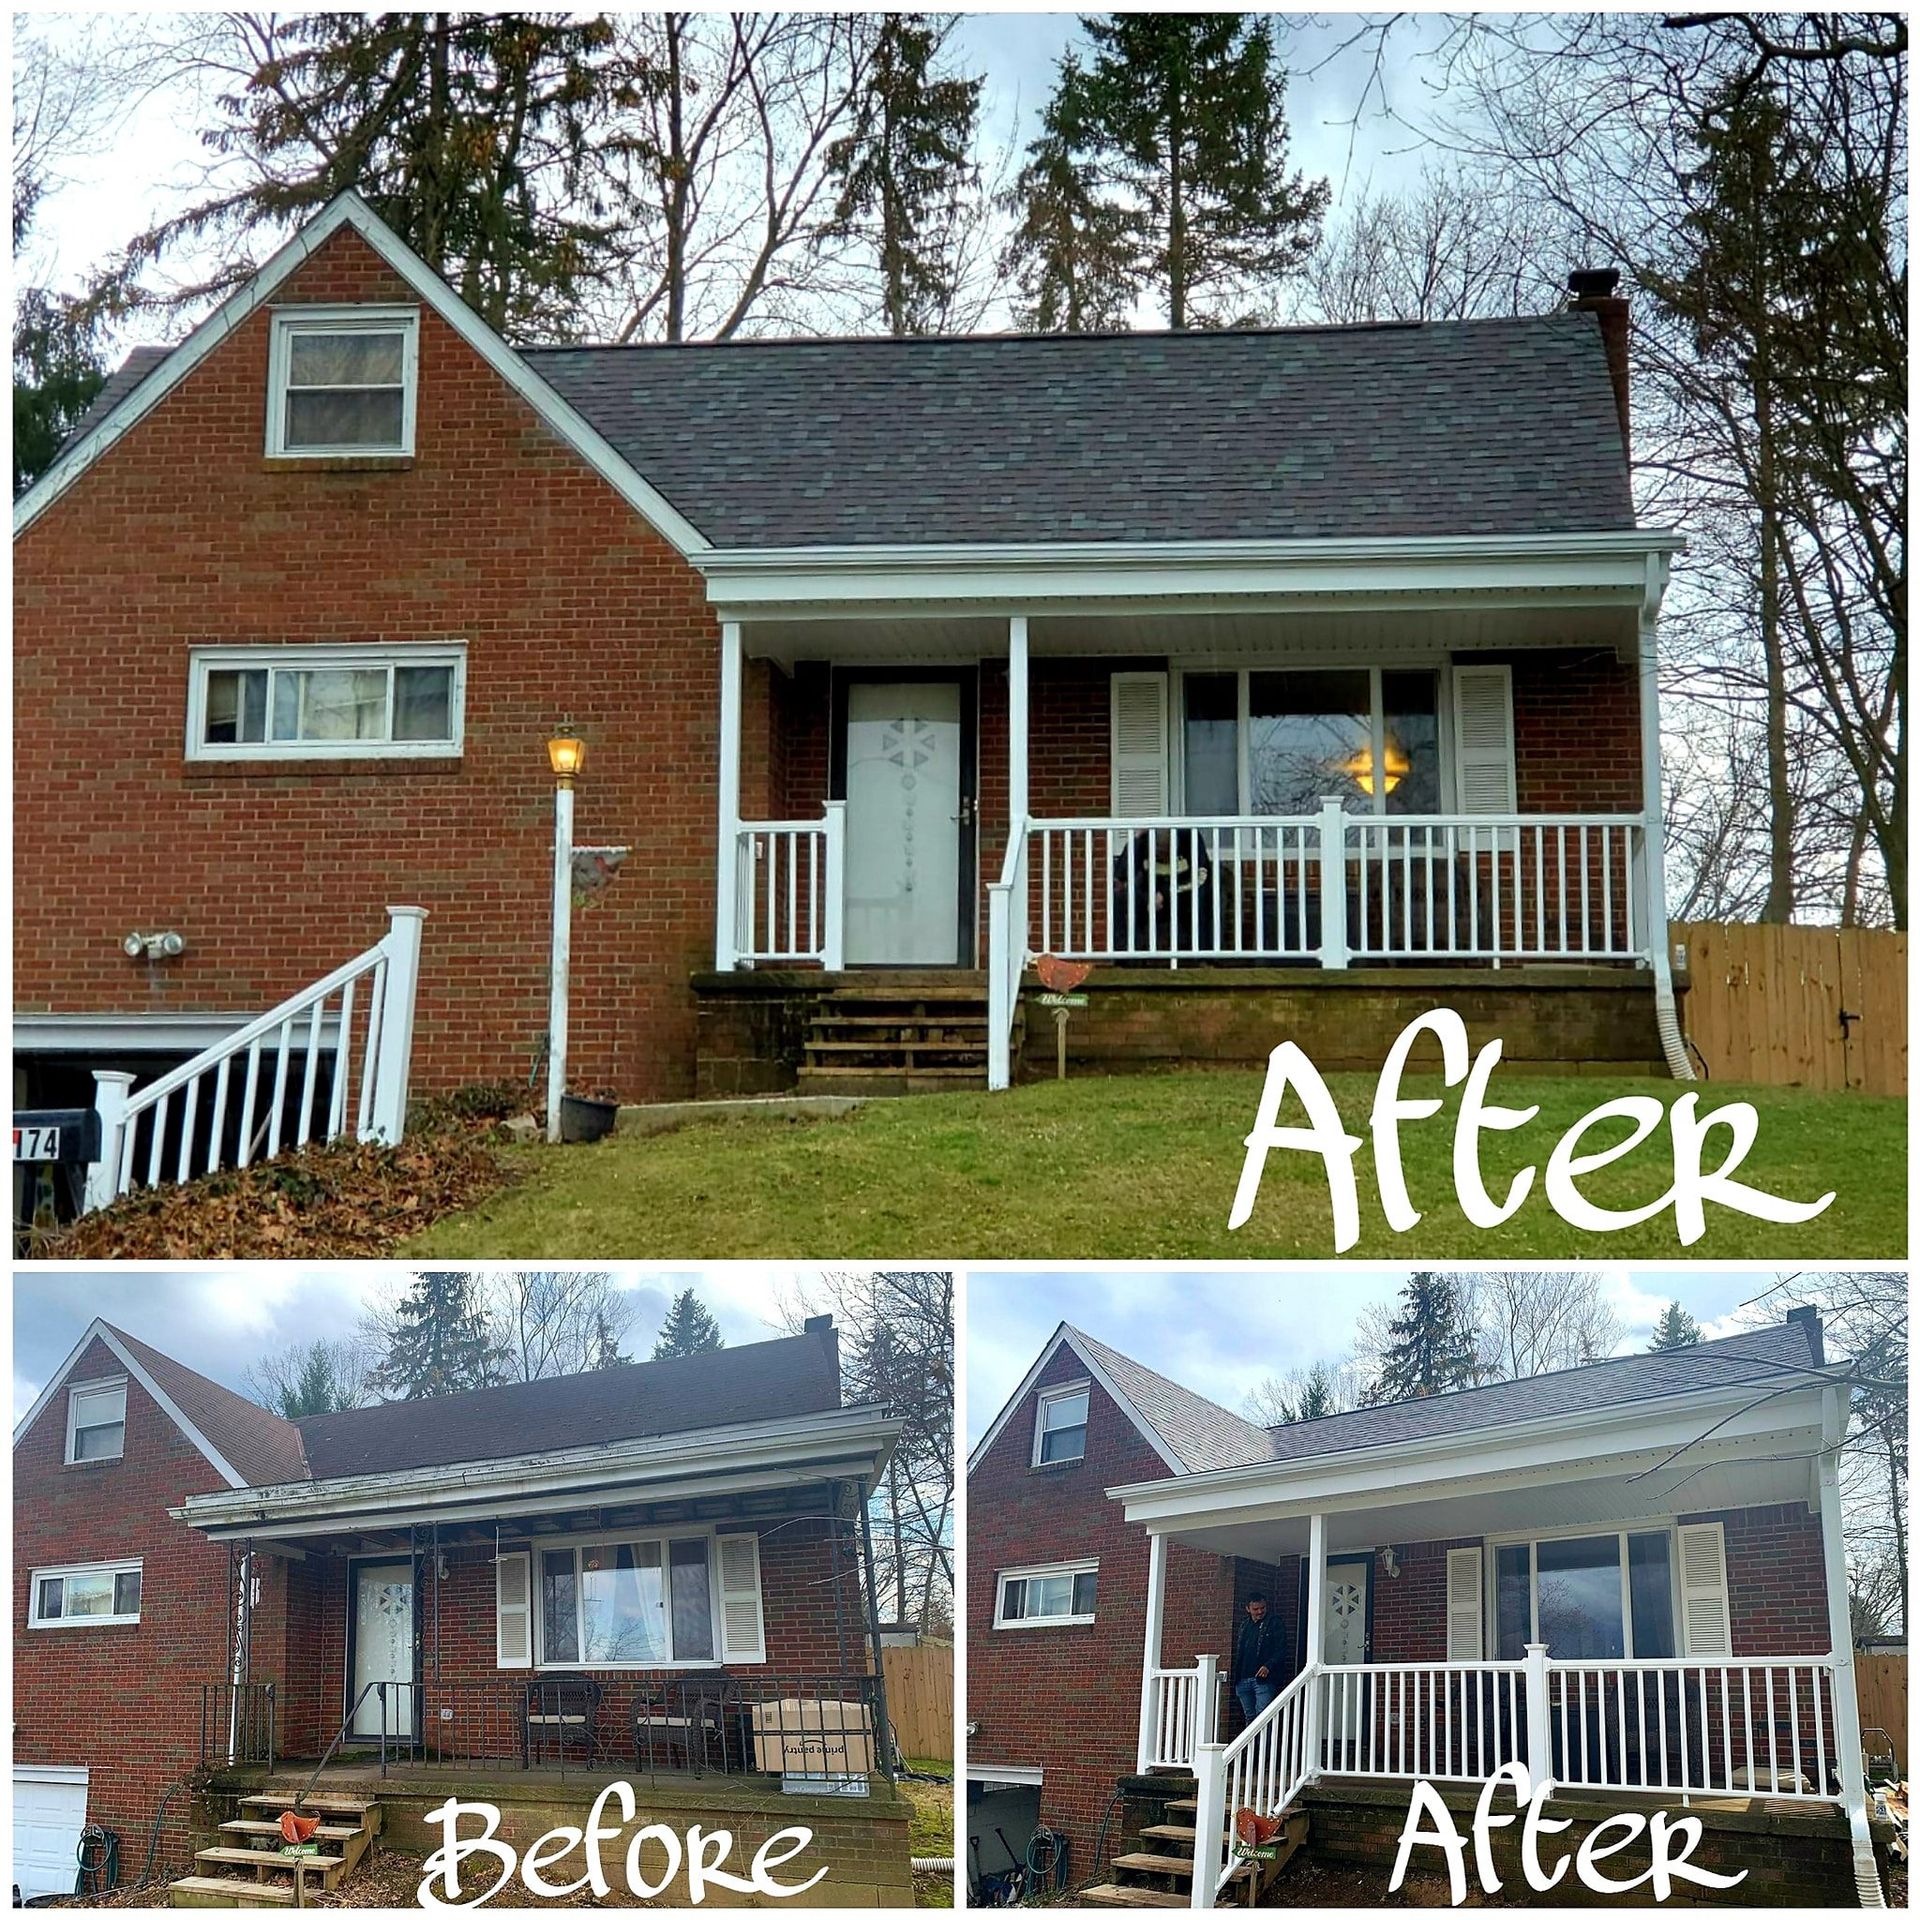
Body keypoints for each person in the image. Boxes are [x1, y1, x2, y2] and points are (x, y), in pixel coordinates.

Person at [1232, 1591, 1282, 1725]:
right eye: (1256, 1609)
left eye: (1263, 1608)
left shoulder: (1274, 1623)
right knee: (1249, 1717)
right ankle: (1253, 1746)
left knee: (1263, 1717)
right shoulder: (1244, 1626)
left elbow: (1281, 1649)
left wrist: (1268, 1665)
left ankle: (1265, 1746)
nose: (1260, 1612)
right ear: (1248, 1609)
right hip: (1243, 1679)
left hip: (1263, 1680)